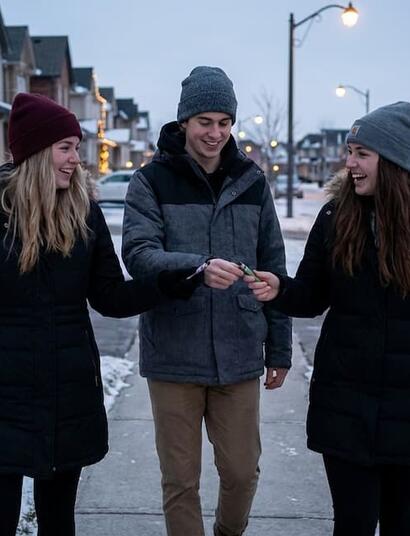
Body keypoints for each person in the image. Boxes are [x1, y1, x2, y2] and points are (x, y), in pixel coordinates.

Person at [0, 92, 194, 536]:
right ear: (34, 151)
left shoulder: (83, 212)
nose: (76, 160)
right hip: (5, 394)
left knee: (58, 520)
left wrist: (167, 284)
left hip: (67, 392)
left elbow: (109, 296)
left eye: (77, 147)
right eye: (65, 148)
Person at [122, 66, 292, 536]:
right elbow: (139, 254)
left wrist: (279, 350)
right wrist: (197, 267)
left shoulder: (252, 182)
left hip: (239, 354)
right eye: (205, 122)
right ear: (184, 122)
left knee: (241, 473)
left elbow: (273, 268)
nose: (215, 133)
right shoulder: (150, 181)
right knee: (181, 481)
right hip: (174, 354)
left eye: (224, 122)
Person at [245, 102, 410, 535]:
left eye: (361, 153)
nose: (349, 162)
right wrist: (279, 289)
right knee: (352, 524)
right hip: (347, 403)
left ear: (393, 160)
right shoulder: (338, 216)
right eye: (350, 150)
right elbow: (312, 295)